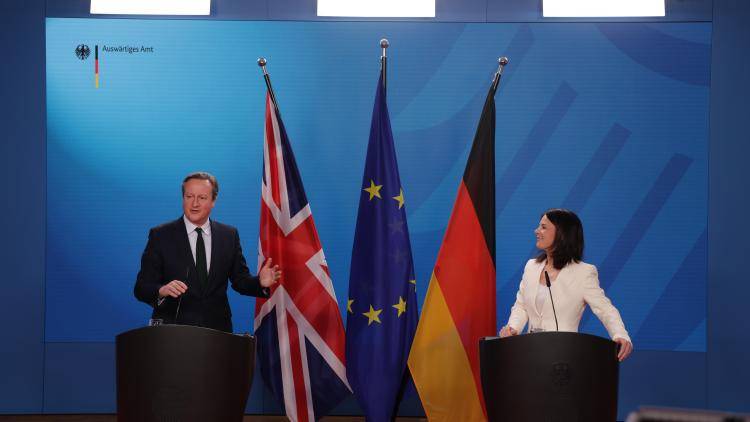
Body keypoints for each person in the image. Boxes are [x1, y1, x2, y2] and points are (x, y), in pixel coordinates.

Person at [134, 172, 280, 332]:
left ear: (213, 201)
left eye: (202, 198)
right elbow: (141, 287)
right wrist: (161, 291)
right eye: (189, 196)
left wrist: (260, 282)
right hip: (173, 332)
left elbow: (240, 281)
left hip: (217, 332)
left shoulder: (228, 235)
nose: (194, 203)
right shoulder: (161, 235)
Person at [499, 208, 633, 361]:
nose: (536, 231)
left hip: (564, 359)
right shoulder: (531, 267)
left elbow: (605, 309)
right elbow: (521, 305)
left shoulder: (583, 272)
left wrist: (620, 335)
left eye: (543, 227)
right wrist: (513, 328)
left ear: (562, 233)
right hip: (530, 356)